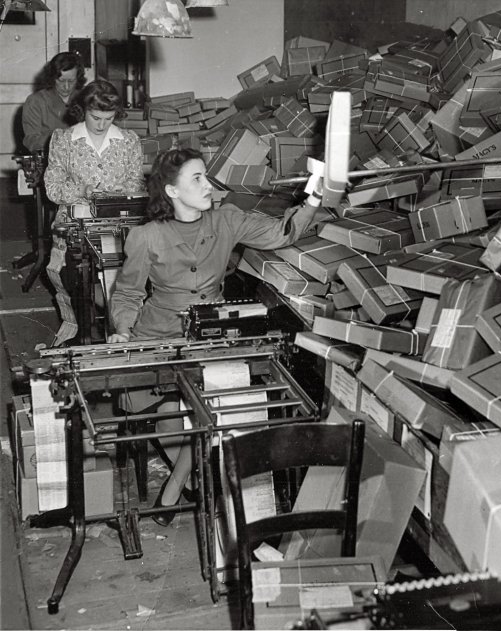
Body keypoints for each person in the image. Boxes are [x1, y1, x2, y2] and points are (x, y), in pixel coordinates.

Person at [108, 147, 323, 525]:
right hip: (159, 331)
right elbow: (127, 294)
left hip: (213, 329)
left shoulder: (226, 219)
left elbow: (281, 233)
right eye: (197, 179)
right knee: (159, 413)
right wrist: (124, 332)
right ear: (172, 192)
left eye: (206, 176)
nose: (209, 185)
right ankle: (189, 479)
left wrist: (315, 196)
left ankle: (174, 490)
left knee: (216, 408)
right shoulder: (145, 236)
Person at [44, 79, 145, 346]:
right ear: (82, 110)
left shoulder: (129, 141)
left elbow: (134, 185)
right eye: (95, 117)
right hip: (76, 221)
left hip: (116, 221)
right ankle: (84, 332)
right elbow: (52, 187)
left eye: (109, 118)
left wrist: (109, 201)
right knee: (77, 279)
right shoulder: (64, 140)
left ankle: (122, 329)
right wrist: (83, 190)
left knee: (124, 273)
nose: (101, 124)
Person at [22, 51, 86, 153]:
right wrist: (60, 139)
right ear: (52, 78)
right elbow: (31, 141)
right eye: (61, 81)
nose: (66, 86)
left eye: (71, 81)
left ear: (78, 78)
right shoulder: (36, 101)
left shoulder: (86, 98)